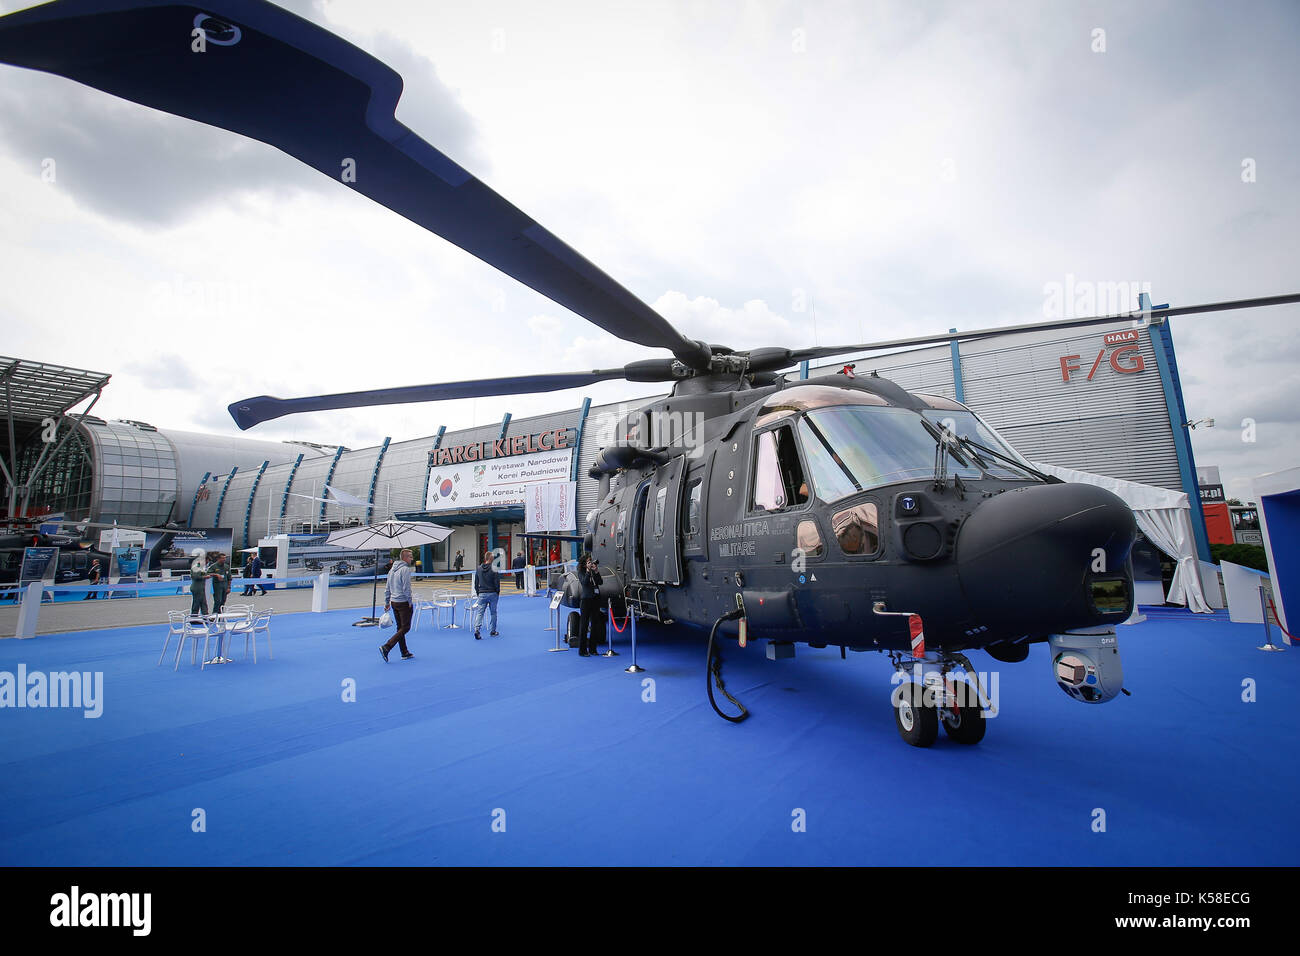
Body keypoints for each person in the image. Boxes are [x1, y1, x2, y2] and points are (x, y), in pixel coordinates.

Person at [380, 548, 416, 662]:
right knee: (406, 627)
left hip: (394, 601)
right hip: (403, 602)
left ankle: (404, 651)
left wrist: (387, 602)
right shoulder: (405, 569)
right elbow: (406, 588)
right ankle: (387, 646)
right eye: (410, 556)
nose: (412, 559)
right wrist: (409, 601)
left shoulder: (392, 570)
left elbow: (387, 587)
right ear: (405, 557)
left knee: (400, 628)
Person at [577, 552, 604, 657]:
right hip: (586, 600)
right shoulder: (581, 572)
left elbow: (600, 582)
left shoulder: (593, 571)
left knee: (595, 624)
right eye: (588, 562)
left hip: (595, 599)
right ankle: (582, 650)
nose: (590, 563)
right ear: (584, 564)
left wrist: (596, 571)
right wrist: (588, 571)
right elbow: (584, 582)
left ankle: (593, 649)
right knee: (584, 625)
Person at [471, 551, 500, 639]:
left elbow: (476, 582)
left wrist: (478, 592)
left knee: (480, 613)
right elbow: (496, 582)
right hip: (492, 593)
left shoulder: (479, 568)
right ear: (491, 559)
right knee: (493, 613)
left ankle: (477, 629)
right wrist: (497, 591)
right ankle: (493, 631)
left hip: (482, 593)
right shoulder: (494, 568)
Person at [188, 551, 211, 617]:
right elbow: (196, 576)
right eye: (207, 561)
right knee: (196, 603)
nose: (207, 563)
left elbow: (204, 574)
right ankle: (193, 617)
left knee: (203, 603)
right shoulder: (197, 567)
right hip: (197, 588)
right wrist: (205, 577)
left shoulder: (201, 568)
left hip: (201, 588)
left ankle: (205, 616)